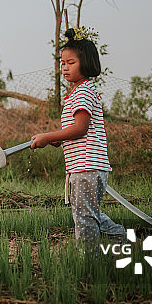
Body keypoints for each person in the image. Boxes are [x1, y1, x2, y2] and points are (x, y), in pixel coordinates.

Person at [29, 28, 125, 252]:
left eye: (70, 62)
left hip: (86, 167)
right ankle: (119, 235)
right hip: (86, 167)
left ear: (86, 63)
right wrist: (59, 140)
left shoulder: (83, 92)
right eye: (62, 63)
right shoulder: (80, 91)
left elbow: (80, 128)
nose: (64, 67)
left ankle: (87, 260)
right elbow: (78, 131)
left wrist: (47, 137)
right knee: (89, 212)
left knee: (84, 216)